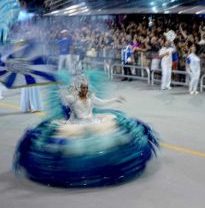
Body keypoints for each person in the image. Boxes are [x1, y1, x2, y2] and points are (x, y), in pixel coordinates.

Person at [14, 70, 159, 187]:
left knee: (110, 132)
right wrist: (60, 86)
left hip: (93, 121)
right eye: (82, 86)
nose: (85, 88)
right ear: (78, 88)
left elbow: (101, 103)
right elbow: (62, 95)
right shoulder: (72, 98)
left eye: (86, 86)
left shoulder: (90, 95)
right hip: (76, 123)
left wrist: (115, 99)